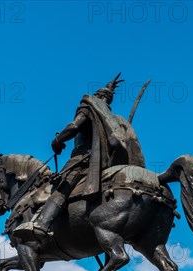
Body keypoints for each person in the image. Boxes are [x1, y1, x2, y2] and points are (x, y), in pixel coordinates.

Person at [14, 73, 145, 239]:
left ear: (96, 97)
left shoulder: (90, 107)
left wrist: (58, 140)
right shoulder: (114, 119)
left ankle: (42, 224)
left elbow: (74, 126)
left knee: (63, 185)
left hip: (83, 160)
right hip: (108, 163)